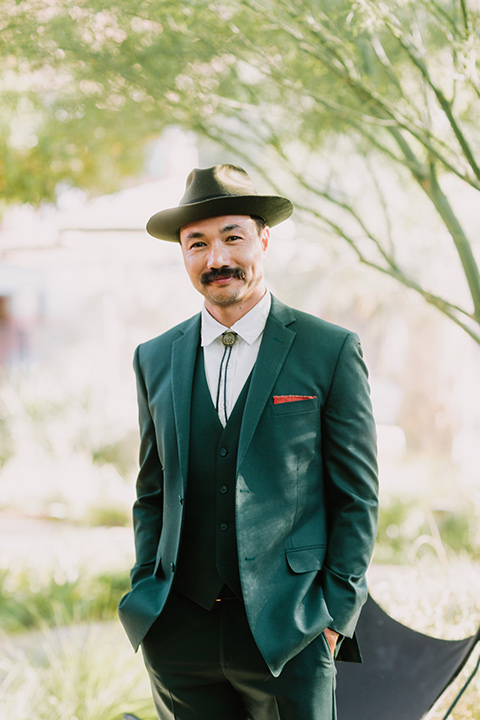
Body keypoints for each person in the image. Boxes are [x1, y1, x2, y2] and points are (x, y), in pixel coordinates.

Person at [119, 164, 379, 720]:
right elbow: (152, 490)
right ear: (183, 255)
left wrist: (335, 614)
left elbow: (357, 497)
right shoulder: (154, 357)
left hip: (290, 633)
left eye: (232, 237)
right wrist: (147, 590)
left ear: (263, 238)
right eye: (198, 245)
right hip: (179, 636)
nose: (217, 259)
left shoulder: (328, 349)